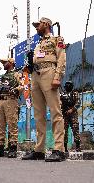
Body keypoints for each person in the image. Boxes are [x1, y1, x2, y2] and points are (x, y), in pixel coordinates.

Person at [22, 17, 66, 162]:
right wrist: (29, 64)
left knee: (55, 112)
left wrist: (57, 77)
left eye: (38, 25)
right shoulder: (38, 44)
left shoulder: (56, 39)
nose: (36, 27)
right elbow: (36, 59)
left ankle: (59, 149)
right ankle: (39, 150)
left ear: (46, 24)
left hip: (49, 72)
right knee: (39, 115)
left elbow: (61, 58)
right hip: (36, 75)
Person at [0, 57, 23, 158]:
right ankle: (0, 148)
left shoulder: (17, 74)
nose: (3, 64)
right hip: (1, 100)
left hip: (11, 100)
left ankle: (12, 148)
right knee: (0, 125)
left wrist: (15, 90)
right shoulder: (2, 77)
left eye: (5, 62)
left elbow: (22, 86)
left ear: (11, 63)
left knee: (12, 124)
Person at [60, 81, 81, 152]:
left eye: (69, 85)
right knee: (64, 131)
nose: (68, 86)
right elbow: (60, 103)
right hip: (65, 114)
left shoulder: (75, 94)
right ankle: (65, 147)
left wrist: (72, 109)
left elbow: (78, 103)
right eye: (67, 85)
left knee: (75, 129)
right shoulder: (62, 94)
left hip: (73, 114)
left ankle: (78, 147)